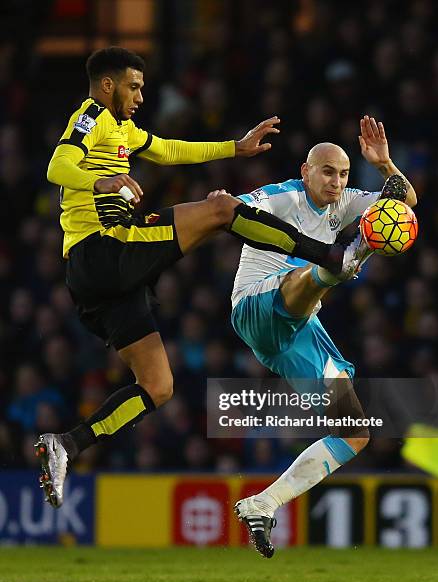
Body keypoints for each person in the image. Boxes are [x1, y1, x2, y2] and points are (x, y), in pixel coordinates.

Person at [35, 47, 356, 508]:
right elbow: (57, 165)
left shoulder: (122, 128)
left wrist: (233, 147)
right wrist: (99, 182)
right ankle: (326, 253)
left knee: (158, 387)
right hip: (103, 249)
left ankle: (66, 445)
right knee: (223, 209)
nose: (140, 95)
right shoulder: (91, 115)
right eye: (134, 86)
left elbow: (165, 150)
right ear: (108, 85)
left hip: (98, 280)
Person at [226, 116, 418, 557]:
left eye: (344, 173)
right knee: (323, 268)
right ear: (306, 171)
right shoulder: (284, 195)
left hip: (295, 331)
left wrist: (385, 164)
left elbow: (404, 203)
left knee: (354, 431)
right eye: (328, 171)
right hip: (255, 305)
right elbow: (232, 211)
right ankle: (341, 263)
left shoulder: (344, 203)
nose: (337, 181)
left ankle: (262, 503)